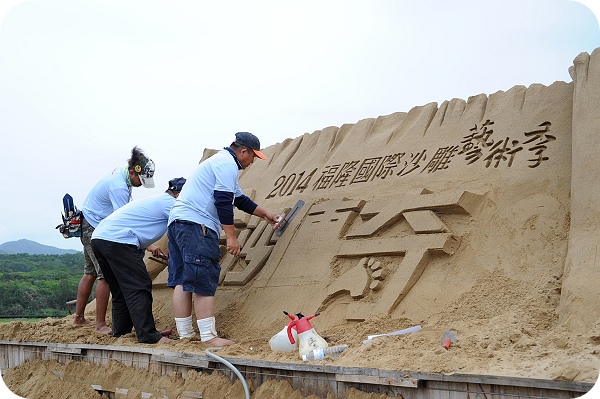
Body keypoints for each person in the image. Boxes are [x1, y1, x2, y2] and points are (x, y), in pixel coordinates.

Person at [167, 132, 282, 346]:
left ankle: (185, 336)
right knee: (203, 277)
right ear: (243, 151)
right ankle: (209, 337)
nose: (252, 162)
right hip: (196, 224)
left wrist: (266, 214)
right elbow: (222, 201)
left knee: (183, 280)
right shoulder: (228, 164)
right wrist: (231, 236)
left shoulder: (219, 163)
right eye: (253, 157)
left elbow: (238, 199)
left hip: (178, 223)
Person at [91, 177, 186, 344]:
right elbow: (185, 225)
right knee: (139, 285)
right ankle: (149, 335)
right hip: (118, 240)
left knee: (120, 289)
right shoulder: (171, 204)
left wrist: (148, 244)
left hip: (100, 238)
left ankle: (121, 332)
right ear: (179, 194)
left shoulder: (158, 201)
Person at [74, 146, 155, 334]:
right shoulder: (119, 187)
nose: (141, 185)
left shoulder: (121, 174)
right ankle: (100, 325)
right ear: (134, 171)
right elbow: (124, 221)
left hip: (89, 223)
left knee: (90, 272)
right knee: (106, 276)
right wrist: (148, 245)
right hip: (95, 226)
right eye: (141, 180)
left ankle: (78, 318)